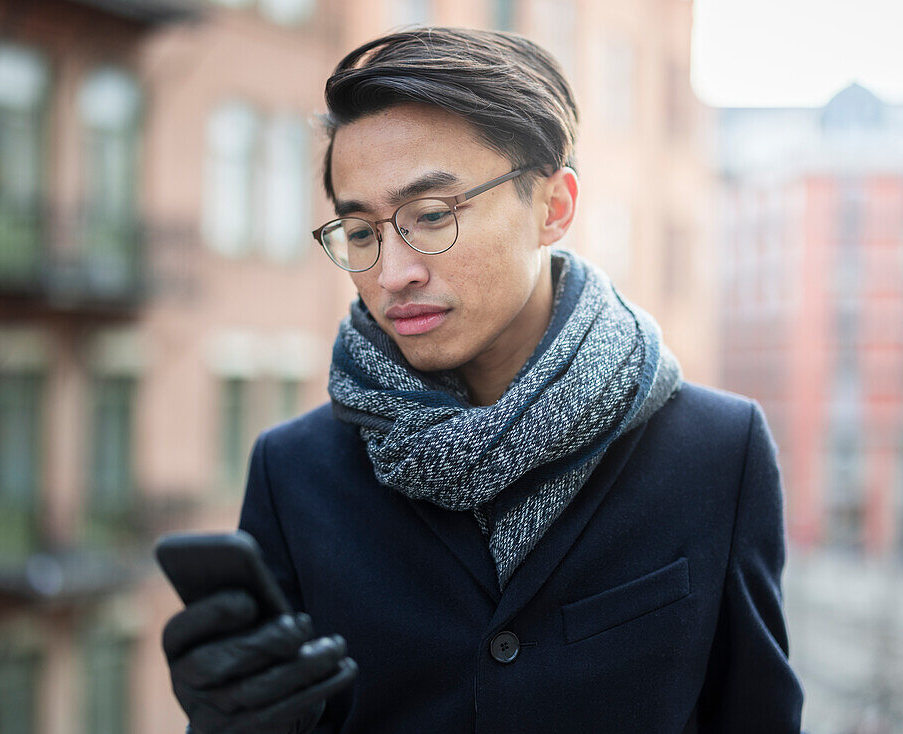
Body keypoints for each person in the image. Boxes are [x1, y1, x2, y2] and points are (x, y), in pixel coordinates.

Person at [162, 27, 804, 733]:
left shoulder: (718, 453)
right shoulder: (293, 473)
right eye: (362, 231)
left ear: (553, 207)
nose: (393, 273)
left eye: (432, 216)